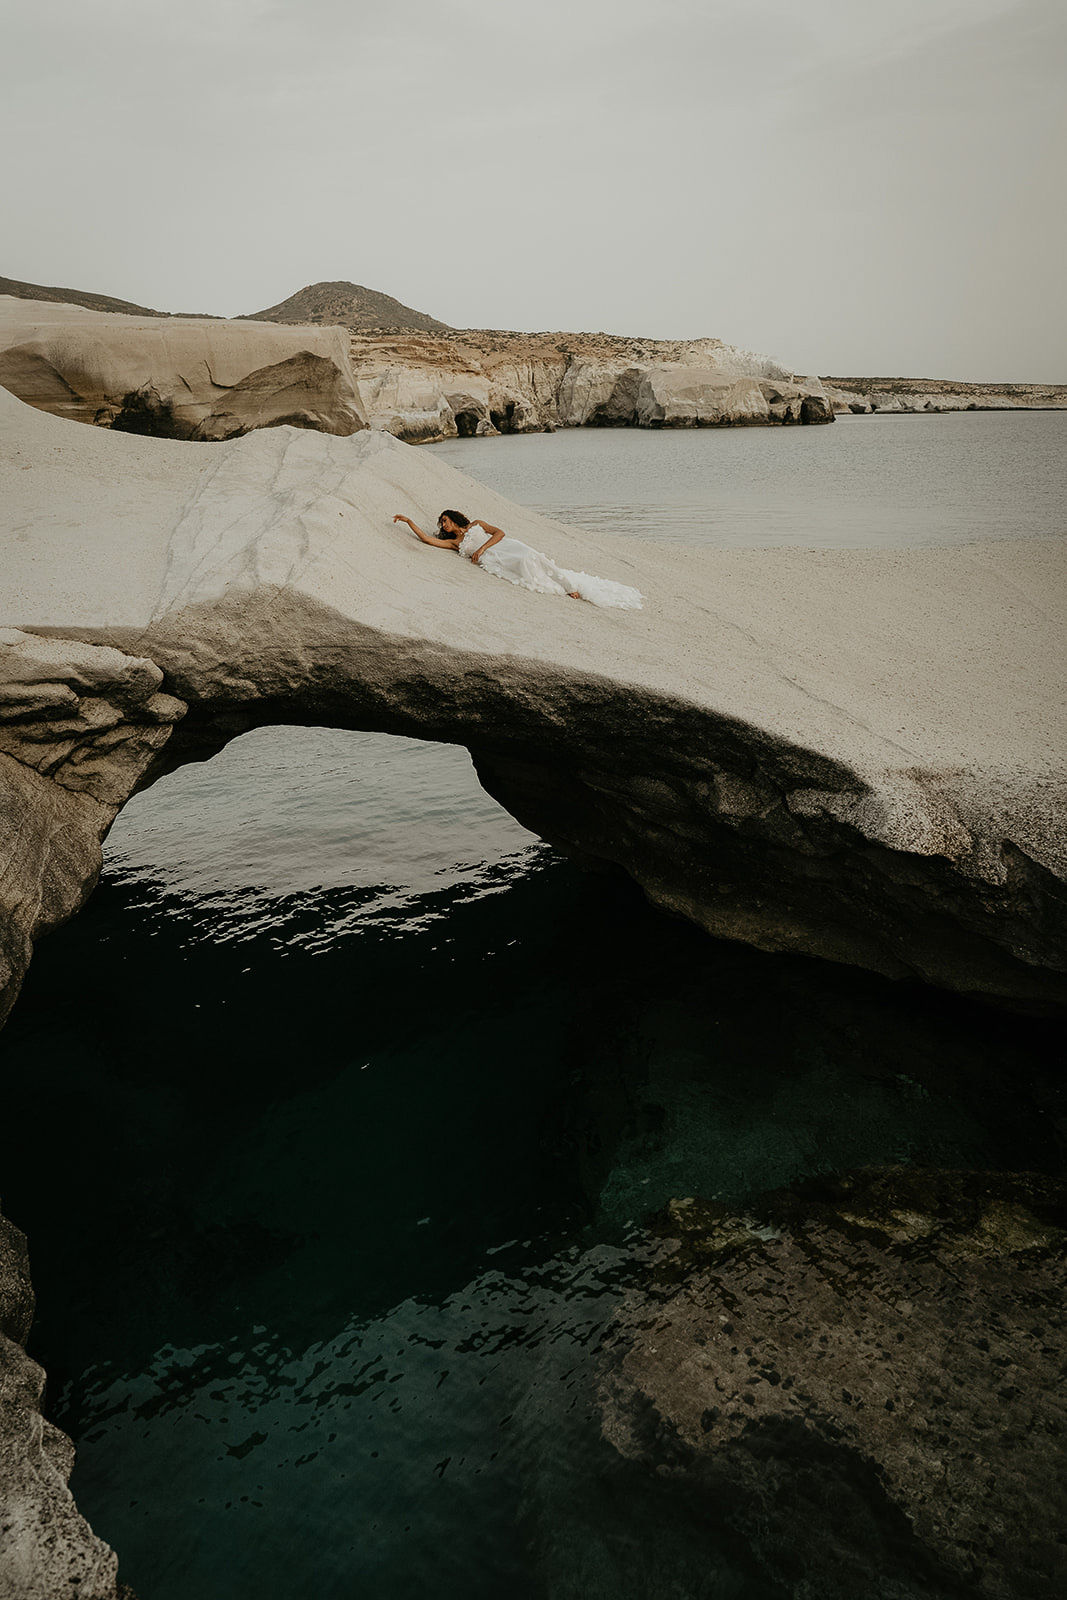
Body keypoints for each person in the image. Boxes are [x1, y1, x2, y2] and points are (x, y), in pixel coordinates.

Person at [391, 510, 643, 610]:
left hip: (504, 546)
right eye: (441, 523)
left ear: (455, 518)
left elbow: (500, 533)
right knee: (525, 568)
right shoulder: (453, 543)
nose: (442, 525)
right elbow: (426, 539)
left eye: (444, 520)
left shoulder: (477, 524)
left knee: (531, 556)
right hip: (495, 559)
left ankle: (570, 586)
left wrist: (481, 548)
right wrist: (408, 522)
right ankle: (563, 588)